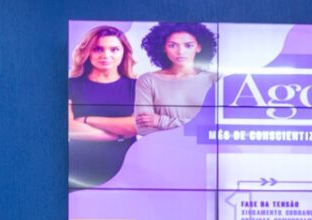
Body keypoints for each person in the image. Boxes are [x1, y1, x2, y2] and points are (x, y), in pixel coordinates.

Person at [68, 25, 139, 189]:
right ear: (87, 52)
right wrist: (118, 135)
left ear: (124, 52)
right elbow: (68, 127)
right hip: (78, 168)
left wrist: (87, 119)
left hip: (125, 167)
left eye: (114, 49)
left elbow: (136, 125)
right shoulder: (70, 85)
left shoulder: (138, 86)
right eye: (98, 49)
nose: (106, 55)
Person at [135, 22, 218, 134]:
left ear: (199, 47)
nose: (180, 52)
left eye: (188, 45)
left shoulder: (215, 80)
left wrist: (161, 121)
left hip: (204, 150)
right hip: (162, 149)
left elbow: (215, 126)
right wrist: (193, 127)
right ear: (163, 48)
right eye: (172, 45)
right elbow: (144, 128)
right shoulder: (148, 80)